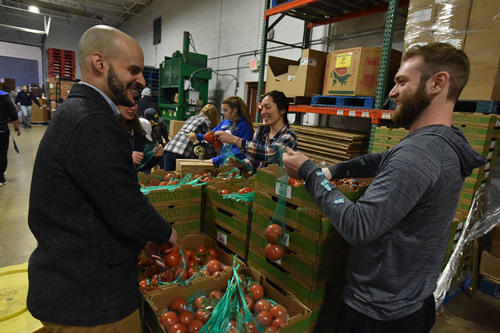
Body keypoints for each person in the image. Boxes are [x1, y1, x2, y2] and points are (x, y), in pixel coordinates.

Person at [282, 42, 486, 333]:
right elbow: (383, 159)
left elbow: (359, 226)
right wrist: (335, 169)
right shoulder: (441, 142)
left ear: (437, 83)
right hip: (411, 300)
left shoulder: (420, 154)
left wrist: (309, 173)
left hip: (377, 314)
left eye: (402, 82)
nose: (391, 92)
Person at [27, 25, 177, 332]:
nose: (142, 81)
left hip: (72, 286)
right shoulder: (91, 121)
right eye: (133, 70)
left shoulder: (81, 112)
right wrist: (164, 232)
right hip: (89, 301)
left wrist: (138, 242)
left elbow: (99, 204)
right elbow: (127, 207)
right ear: (100, 63)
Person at [215, 90, 297, 172]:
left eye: (268, 108)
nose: (263, 112)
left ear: (282, 110)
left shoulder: (289, 137)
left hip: (277, 183)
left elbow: (270, 155)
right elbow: (253, 160)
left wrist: (235, 140)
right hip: (259, 182)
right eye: (262, 108)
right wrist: (242, 164)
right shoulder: (261, 131)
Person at [190, 96, 253, 166]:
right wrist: (197, 137)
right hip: (224, 163)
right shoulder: (224, 123)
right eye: (223, 110)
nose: (223, 113)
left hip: (236, 165)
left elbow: (239, 151)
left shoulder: (244, 126)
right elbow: (211, 136)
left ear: (235, 110)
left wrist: (217, 159)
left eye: (226, 110)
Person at [163, 103, 220, 171]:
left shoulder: (192, 117)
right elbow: (210, 142)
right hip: (184, 151)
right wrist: (215, 160)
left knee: (170, 178)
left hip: (170, 148)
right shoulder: (207, 122)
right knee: (183, 179)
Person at [118, 104, 164, 172]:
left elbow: (142, 165)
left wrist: (155, 156)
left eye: (135, 104)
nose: (133, 108)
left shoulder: (138, 135)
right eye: (127, 104)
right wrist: (127, 157)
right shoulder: (110, 129)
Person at [0, 90, 21, 187]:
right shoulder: (4, 97)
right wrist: (17, 128)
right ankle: (0, 178)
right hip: (1, 129)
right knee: (2, 153)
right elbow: (13, 114)